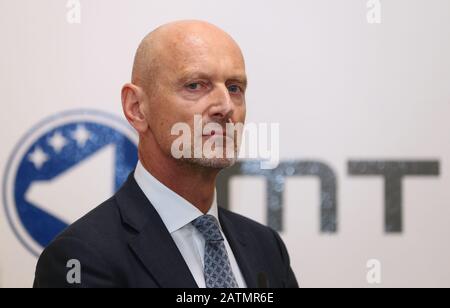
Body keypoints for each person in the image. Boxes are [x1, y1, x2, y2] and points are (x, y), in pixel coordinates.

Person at [33, 20, 299, 288]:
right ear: (137, 107)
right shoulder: (80, 258)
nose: (225, 106)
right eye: (195, 85)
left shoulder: (266, 247)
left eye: (234, 88)